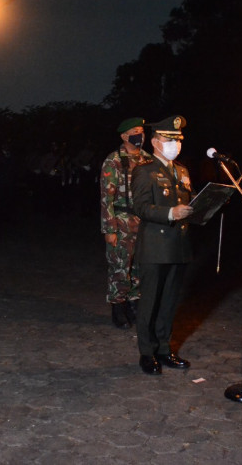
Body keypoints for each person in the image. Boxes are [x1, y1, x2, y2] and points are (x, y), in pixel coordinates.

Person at [131, 115, 194, 375]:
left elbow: (187, 204)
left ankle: (164, 349)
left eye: (178, 140)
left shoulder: (181, 170)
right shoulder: (144, 170)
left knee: (169, 302)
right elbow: (141, 207)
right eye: (170, 139)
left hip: (178, 246)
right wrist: (171, 214)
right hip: (155, 246)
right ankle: (147, 353)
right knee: (150, 302)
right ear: (156, 142)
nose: (175, 144)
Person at [100, 117, 153, 329]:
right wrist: (109, 229)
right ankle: (118, 307)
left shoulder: (149, 159)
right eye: (134, 131)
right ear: (124, 136)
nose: (140, 134)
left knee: (140, 266)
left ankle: (135, 303)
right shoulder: (113, 161)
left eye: (141, 130)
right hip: (121, 220)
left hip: (145, 221)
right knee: (120, 266)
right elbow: (106, 198)